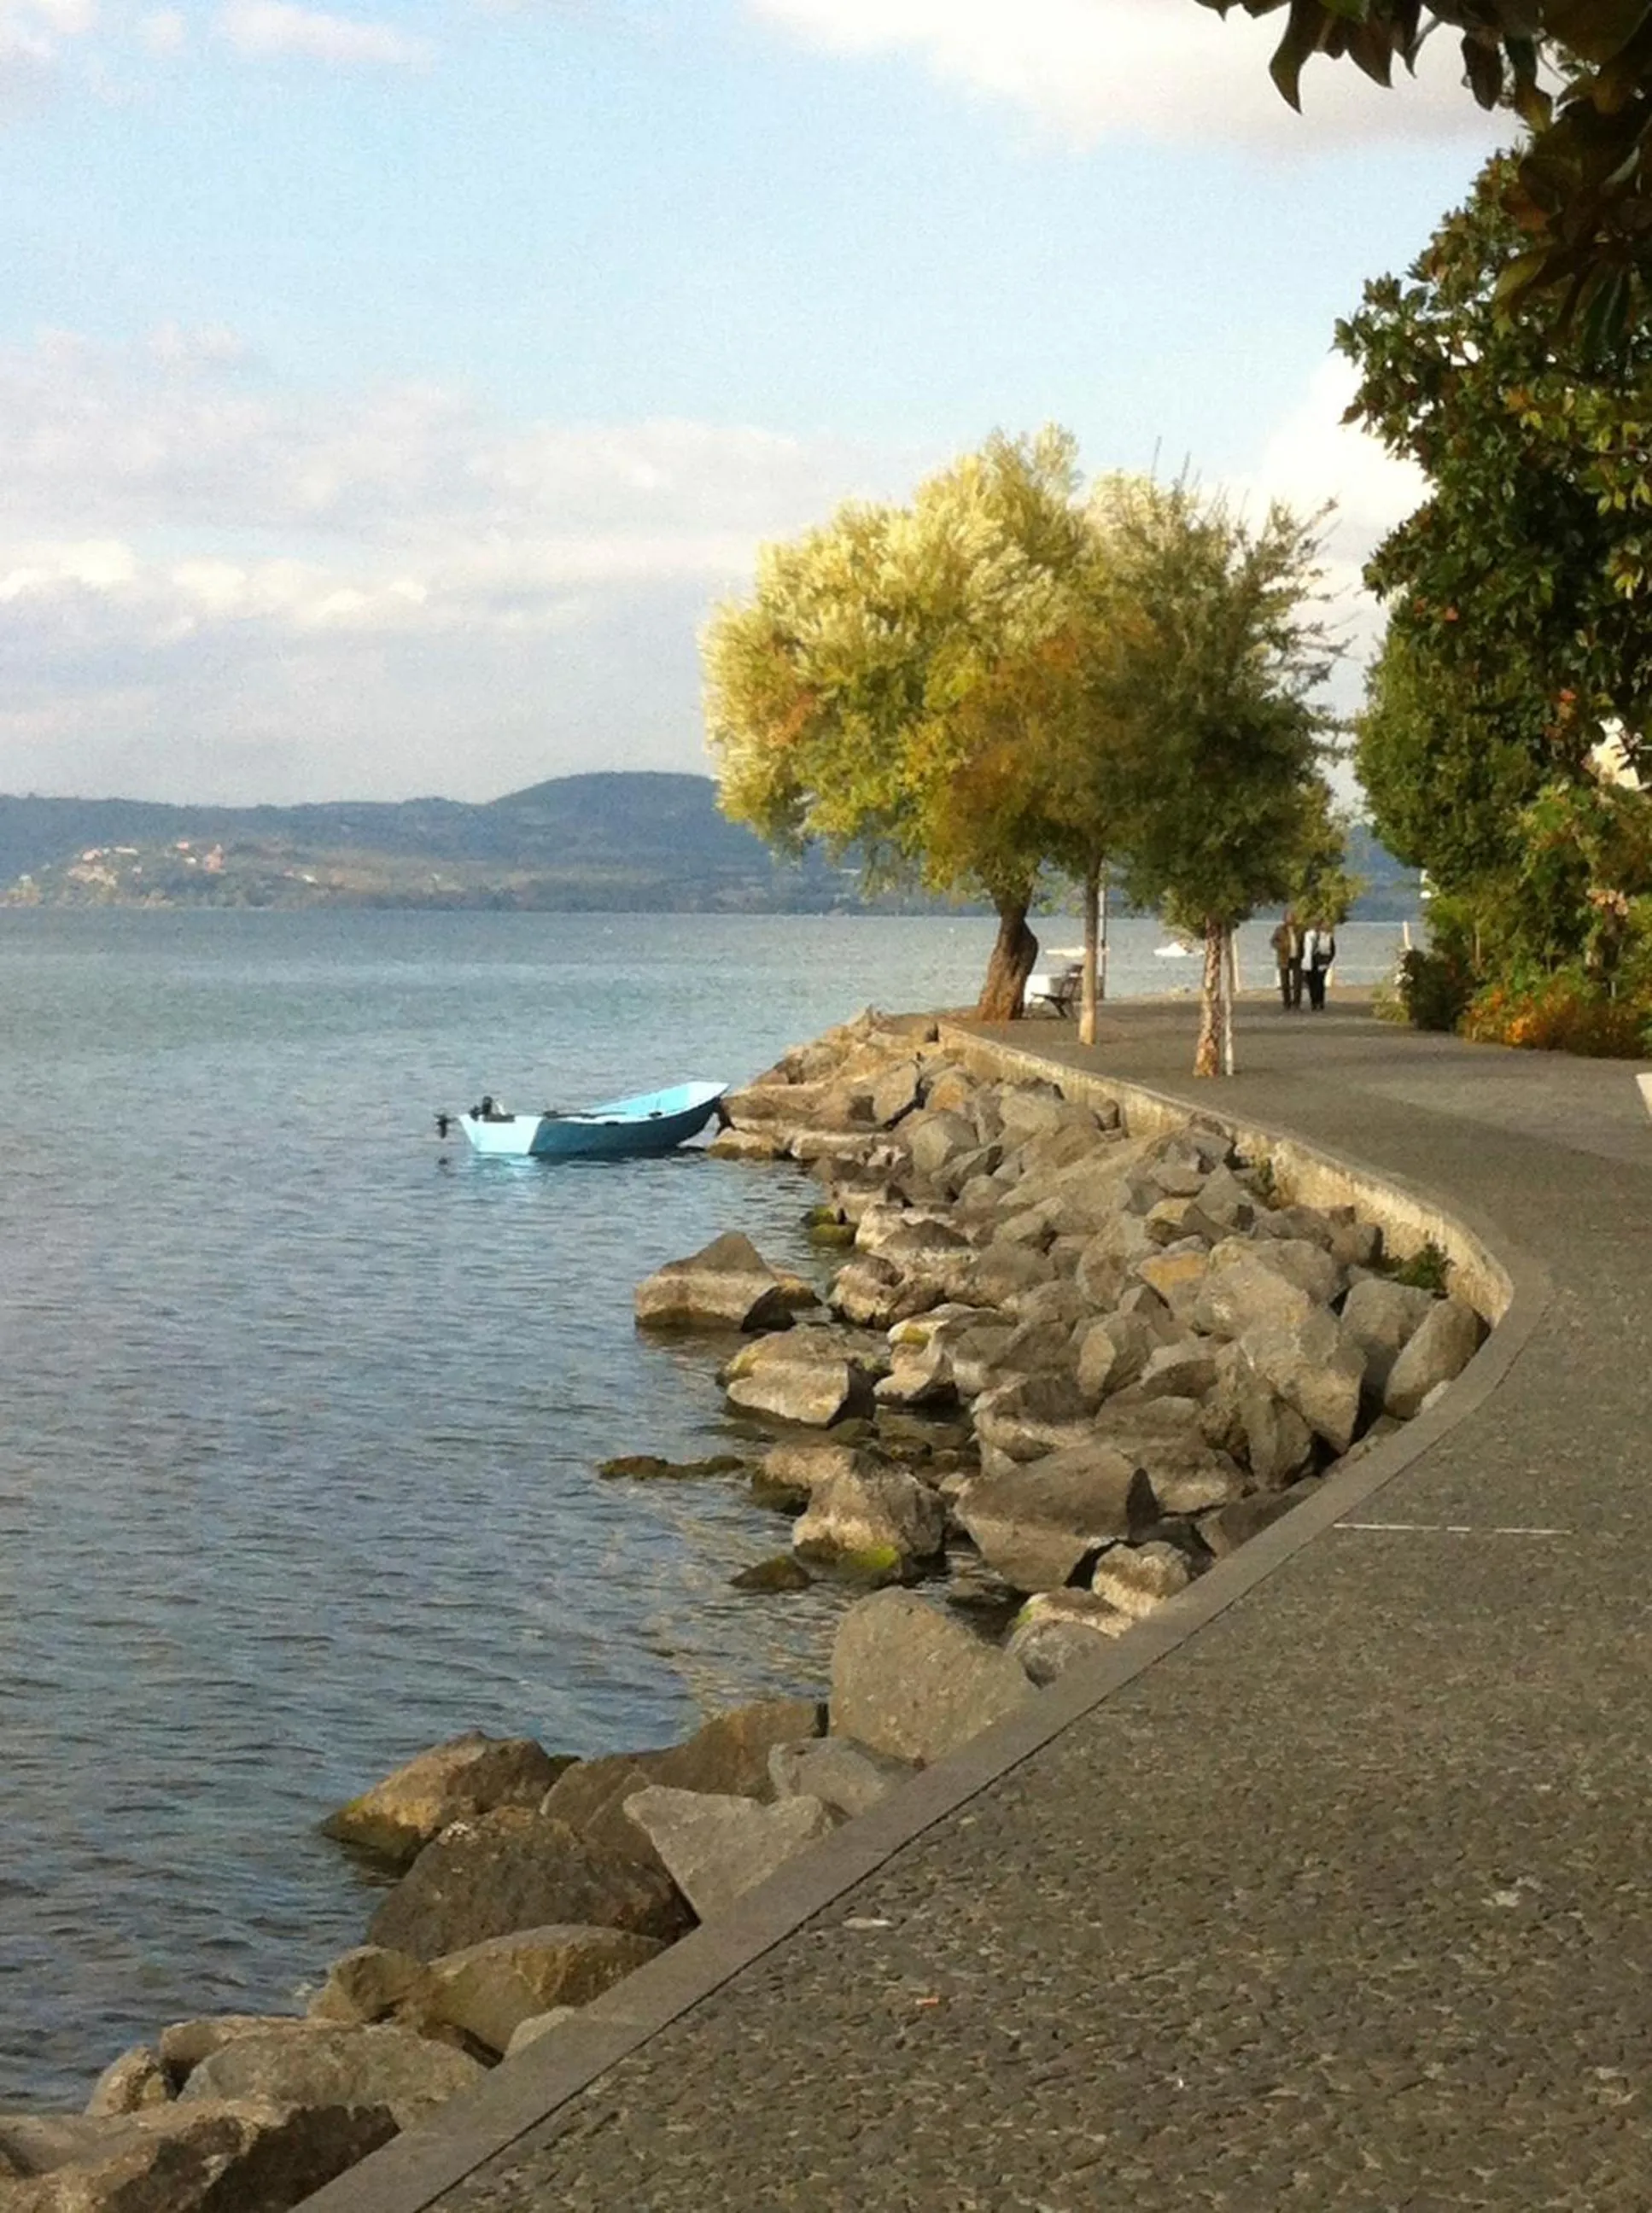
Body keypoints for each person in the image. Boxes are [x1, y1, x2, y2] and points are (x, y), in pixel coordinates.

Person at [1270, 910, 1302, 1009]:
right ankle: (1286, 1003)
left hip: (1297, 958)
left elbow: (1304, 941)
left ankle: (1296, 1003)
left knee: (1297, 981)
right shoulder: (1280, 929)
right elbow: (1273, 941)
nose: (1290, 919)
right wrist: (1281, 946)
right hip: (1284, 958)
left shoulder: (1300, 929)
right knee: (1285, 982)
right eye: (1288, 917)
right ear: (1285, 918)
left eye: (1292, 917)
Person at [1304, 923, 1336, 1011]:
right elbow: (1303, 948)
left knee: (1320, 982)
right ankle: (1313, 1002)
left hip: (1322, 962)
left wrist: (1327, 961)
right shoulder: (1308, 935)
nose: (1317, 927)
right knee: (1311, 982)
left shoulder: (1327, 937)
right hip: (1309, 961)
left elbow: (1332, 951)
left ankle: (1320, 1001)